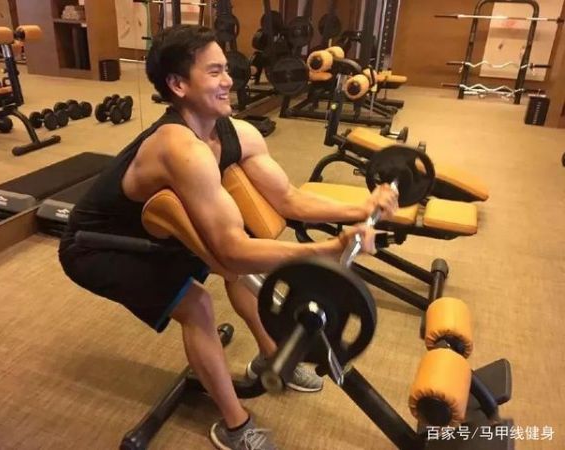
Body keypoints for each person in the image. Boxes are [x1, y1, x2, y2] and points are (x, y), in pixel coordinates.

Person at [59, 24, 398, 450]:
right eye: (215, 72)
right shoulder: (180, 150)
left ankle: (272, 355)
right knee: (198, 304)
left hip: (161, 227)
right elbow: (232, 252)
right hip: (99, 244)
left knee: (242, 267)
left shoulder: (237, 133)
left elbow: (289, 199)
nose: (229, 81)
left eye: (227, 69)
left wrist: (364, 207)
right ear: (178, 85)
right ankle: (236, 427)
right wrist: (329, 250)